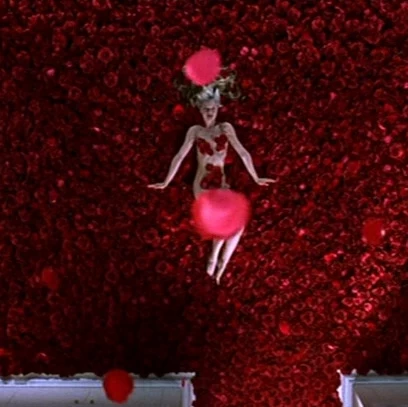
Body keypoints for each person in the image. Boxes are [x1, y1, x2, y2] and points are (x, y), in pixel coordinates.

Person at [148, 82, 275, 284]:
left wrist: (256, 177)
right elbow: (179, 156)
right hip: (204, 185)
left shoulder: (225, 128)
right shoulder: (195, 131)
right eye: (206, 109)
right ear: (200, 110)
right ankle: (213, 260)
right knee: (225, 219)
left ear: (218, 108)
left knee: (238, 224)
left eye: (213, 108)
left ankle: (220, 263)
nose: (210, 112)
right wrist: (166, 181)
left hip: (222, 184)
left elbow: (243, 152)